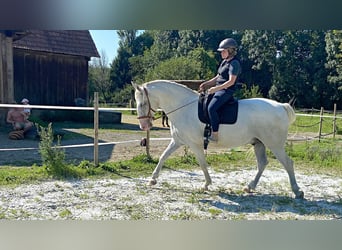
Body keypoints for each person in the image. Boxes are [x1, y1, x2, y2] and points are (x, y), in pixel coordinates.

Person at [199, 38, 241, 142]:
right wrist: (206, 84)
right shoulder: (224, 62)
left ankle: (215, 135)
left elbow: (231, 81)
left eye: (223, 51)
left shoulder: (234, 64)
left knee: (211, 108)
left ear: (230, 51)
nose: (221, 53)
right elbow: (218, 77)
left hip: (227, 91)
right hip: (219, 89)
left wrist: (216, 89)